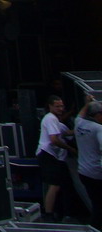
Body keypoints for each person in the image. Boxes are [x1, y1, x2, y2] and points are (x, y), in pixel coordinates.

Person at [37, 94, 76, 222]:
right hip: (47, 154)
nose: (60, 108)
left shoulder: (57, 122)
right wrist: (70, 149)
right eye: (57, 106)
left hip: (55, 157)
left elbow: (66, 132)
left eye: (62, 106)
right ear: (50, 106)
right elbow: (54, 139)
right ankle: (48, 213)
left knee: (62, 184)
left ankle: (62, 212)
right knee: (54, 185)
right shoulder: (50, 119)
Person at [75, 95, 102, 230]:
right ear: (97, 115)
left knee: (95, 202)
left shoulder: (79, 123)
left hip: (83, 172)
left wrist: (87, 103)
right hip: (97, 173)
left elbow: (81, 113)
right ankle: (94, 227)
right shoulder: (98, 129)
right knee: (99, 206)